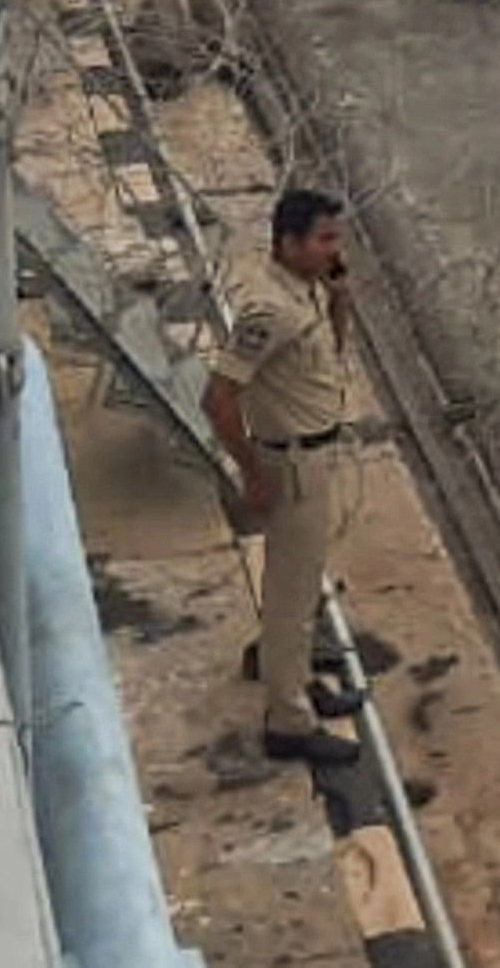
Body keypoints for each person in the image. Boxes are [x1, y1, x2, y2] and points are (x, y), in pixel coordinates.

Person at [203, 189, 369, 766]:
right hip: (290, 465)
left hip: (314, 456)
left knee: (301, 586)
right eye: (323, 239)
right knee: (291, 597)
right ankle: (288, 720)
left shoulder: (307, 293)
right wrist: (252, 470)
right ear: (288, 243)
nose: (334, 249)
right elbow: (219, 398)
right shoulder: (269, 311)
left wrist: (339, 293)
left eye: (335, 238)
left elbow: (332, 359)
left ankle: (290, 675)